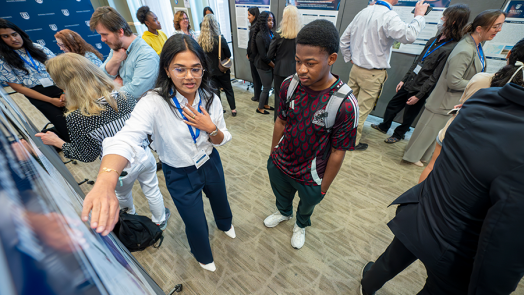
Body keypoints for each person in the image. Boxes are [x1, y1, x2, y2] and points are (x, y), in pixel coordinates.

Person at [81, 34, 235, 272]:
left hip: (210, 161)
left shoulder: (210, 96)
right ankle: (202, 254)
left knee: (220, 199)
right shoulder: (153, 102)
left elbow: (223, 138)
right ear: (167, 69)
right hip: (179, 172)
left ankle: (225, 224)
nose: (189, 77)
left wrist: (211, 128)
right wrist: (106, 179)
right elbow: (126, 138)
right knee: (194, 220)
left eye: (196, 69)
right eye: (180, 69)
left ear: (204, 68)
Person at [359, 82, 524, 294]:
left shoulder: (483, 98)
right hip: (459, 248)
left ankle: (367, 286)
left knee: (389, 261)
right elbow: (506, 244)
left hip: (424, 207)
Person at [35, 53, 170, 229]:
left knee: (123, 196)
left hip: (118, 170)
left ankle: (133, 223)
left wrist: (58, 142)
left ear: (64, 84)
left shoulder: (77, 117)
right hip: (144, 155)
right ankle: (160, 221)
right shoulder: (126, 97)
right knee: (152, 189)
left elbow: (87, 155)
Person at [264, 20, 358, 250]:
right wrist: (273, 155)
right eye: (298, 61)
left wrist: (323, 187)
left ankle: (300, 223)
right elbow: (281, 121)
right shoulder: (289, 85)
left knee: (307, 204)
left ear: (332, 59)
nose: (301, 69)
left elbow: (338, 151)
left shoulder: (345, 103)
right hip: (282, 161)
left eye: (310, 63)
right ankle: (284, 212)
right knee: (281, 194)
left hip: (312, 173)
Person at [402, 9, 506, 166]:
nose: (498, 30)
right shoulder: (465, 49)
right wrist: (482, 83)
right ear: (479, 28)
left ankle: (421, 157)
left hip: (451, 103)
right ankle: (412, 157)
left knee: (433, 137)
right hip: (444, 101)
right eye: (495, 27)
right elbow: (454, 81)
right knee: (426, 133)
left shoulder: (476, 46)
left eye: (500, 26)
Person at [418, 38, 524, 183]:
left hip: (458, 131)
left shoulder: (482, 79)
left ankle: (418, 203)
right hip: (494, 148)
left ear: (509, 54)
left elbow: (464, 103)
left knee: (432, 168)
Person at [370, 4, 470, 144]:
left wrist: (419, 95)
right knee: (393, 105)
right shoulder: (433, 40)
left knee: (409, 115)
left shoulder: (451, 48)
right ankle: (384, 126)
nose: (441, 19)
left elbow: (435, 76)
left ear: (453, 21)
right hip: (410, 81)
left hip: (421, 88)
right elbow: (417, 62)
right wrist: (404, 80)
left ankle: (399, 134)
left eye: (444, 17)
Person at [339, 0, 430, 150]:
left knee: (349, 105)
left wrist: (350, 58)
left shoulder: (363, 12)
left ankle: (339, 134)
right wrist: (419, 16)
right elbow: (409, 36)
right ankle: (350, 142)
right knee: (361, 110)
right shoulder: (389, 16)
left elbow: (344, 40)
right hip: (373, 74)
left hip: (356, 69)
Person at [0, 19, 69, 142]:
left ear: (20, 33)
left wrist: (64, 91)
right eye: (6, 36)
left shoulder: (37, 47)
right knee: (63, 125)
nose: (13, 39)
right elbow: (18, 88)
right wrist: (51, 101)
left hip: (59, 87)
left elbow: (59, 70)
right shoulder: (3, 61)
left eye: (14, 34)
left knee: (79, 117)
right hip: (39, 95)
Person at [89, 6, 159, 100]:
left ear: (120, 32)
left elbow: (135, 93)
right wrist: (115, 60)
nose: (102, 39)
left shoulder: (146, 55)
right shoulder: (116, 48)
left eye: (105, 34)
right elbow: (100, 80)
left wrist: (114, 87)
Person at [198, 14, 237, 116]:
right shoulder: (220, 39)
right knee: (228, 89)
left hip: (209, 71)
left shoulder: (201, 41)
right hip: (222, 70)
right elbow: (228, 54)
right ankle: (233, 109)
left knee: (215, 92)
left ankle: (220, 110)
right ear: (215, 24)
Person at [268, 5, 301, 121]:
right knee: (294, 97)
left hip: (279, 70)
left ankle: (278, 119)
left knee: (278, 96)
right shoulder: (300, 36)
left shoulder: (278, 35)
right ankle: (291, 119)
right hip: (295, 71)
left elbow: (269, 55)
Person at [251, 11, 275, 115]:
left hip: (269, 64)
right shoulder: (260, 36)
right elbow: (263, 56)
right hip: (263, 65)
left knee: (268, 86)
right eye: (269, 20)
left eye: (272, 20)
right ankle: (260, 107)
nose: (271, 22)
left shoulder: (270, 33)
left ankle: (265, 104)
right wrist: (274, 65)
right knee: (266, 87)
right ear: (263, 22)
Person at [246, 6, 262, 102]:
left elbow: (251, 44)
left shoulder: (253, 28)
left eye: (249, 15)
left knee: (255, 77)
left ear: (254, 15)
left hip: (253, 57)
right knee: (258, 77)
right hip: (258, 56)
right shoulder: (259, 25)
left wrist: (248, 54)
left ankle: (257, 96)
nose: (248, 17)